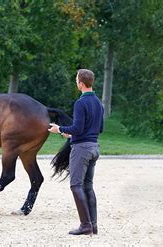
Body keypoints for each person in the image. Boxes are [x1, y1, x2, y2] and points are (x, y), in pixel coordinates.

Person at [48, 69, 104, 235]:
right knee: (88, 186)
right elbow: (99, 128)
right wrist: (70, 133)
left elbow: (78, 128)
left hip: (82, 149)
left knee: (75, 185)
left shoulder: (81, 103)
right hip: (94, 147)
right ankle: (93, 225)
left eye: (76, 80)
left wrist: (60, 129)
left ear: (81, 83)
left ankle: (85, 225)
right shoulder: (98, 103)